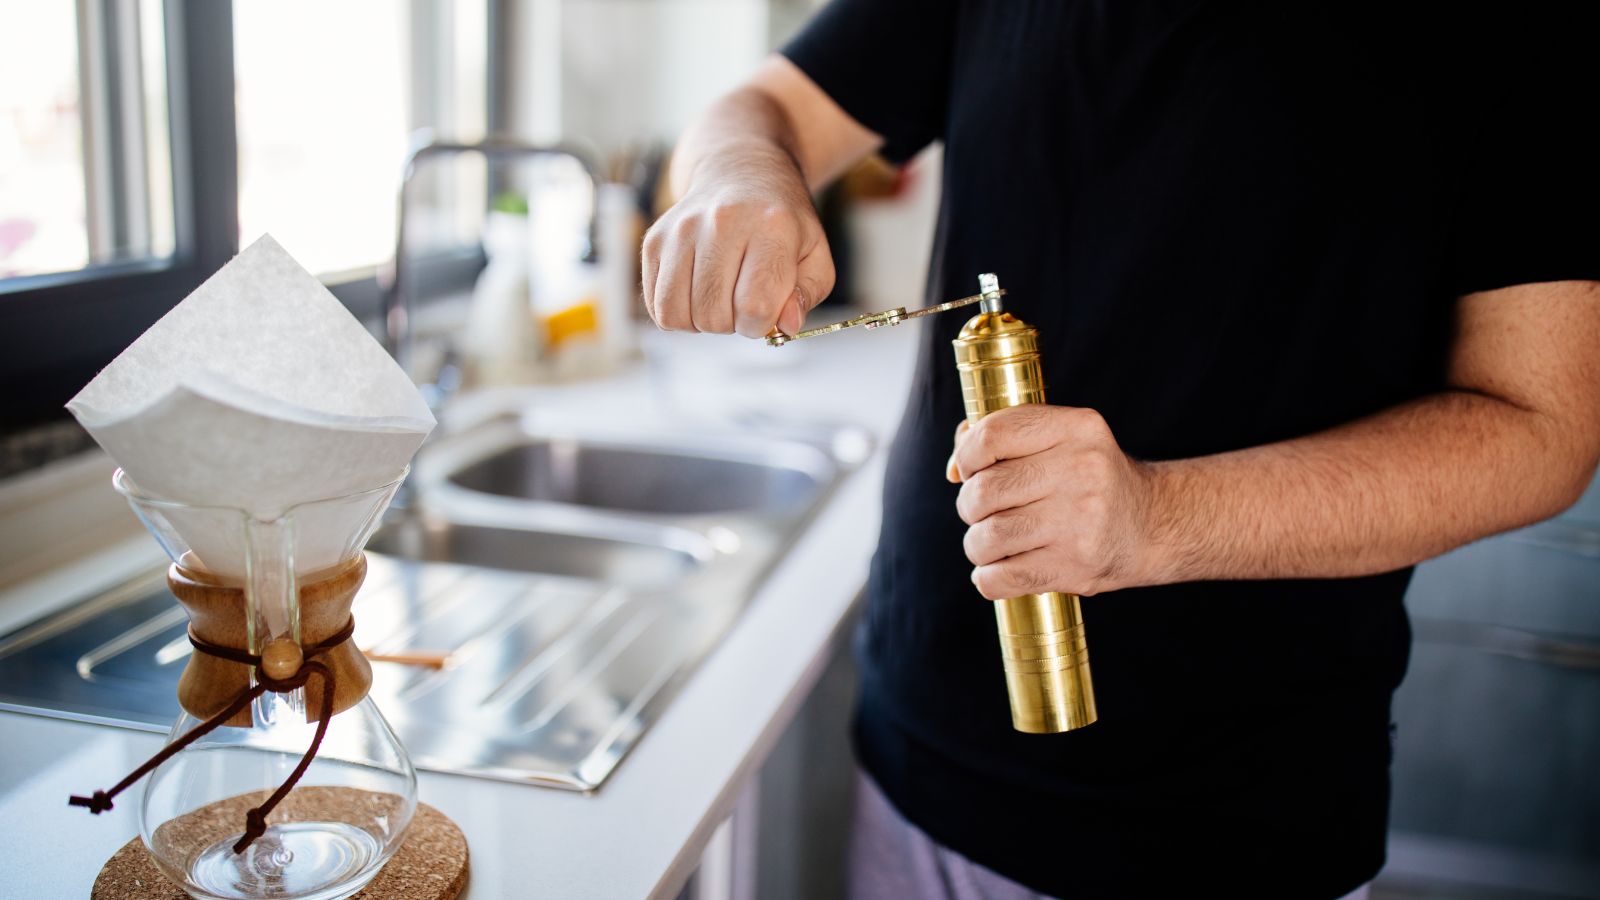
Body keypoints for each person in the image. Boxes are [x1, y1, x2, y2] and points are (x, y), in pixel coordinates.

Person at [639, 3, 1600, 897]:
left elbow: (1542, 427)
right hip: (920, 757)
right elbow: (763, 107)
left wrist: (1157, 516)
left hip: (1237, 826)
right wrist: (741, 173)